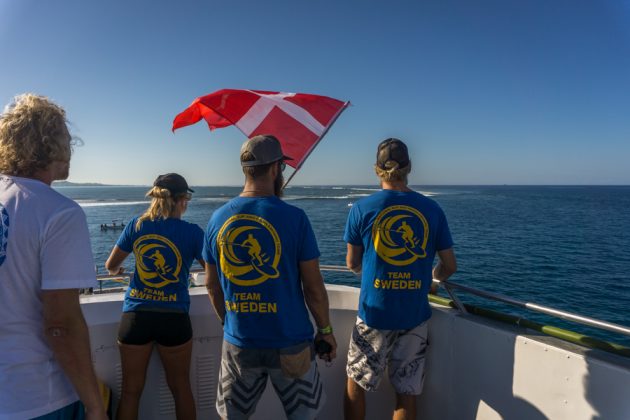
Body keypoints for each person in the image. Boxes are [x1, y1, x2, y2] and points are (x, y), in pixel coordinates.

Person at [203, 134, 337, 420]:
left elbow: (212, 286)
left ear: (245, 169)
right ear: (276, 169)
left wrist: (229, 322)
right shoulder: (296, 217)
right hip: (292, 343)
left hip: (240, 342)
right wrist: (325, 331)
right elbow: (313, 288)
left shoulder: (217, 219)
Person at [0, 94, 107, 419]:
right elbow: (61, 324)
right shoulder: (58, 213)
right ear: (51, 144)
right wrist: (94, 405)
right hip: (39, 395)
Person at [343, 138, 457, 420]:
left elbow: (352, 263)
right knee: (406, 391)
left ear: (376, 170)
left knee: (356, 384)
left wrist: (370, 272)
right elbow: (450, 266)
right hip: (414, 316)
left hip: (374, 313)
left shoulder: (361, 209)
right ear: (410, 168)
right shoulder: (432, 210)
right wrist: (432, 277)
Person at [105, 173, 204, 420]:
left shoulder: (136, 225)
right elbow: (213, 270)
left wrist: (118, 271)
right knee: (181, 389)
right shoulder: (193, 233)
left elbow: (111, 265)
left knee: (130, 393)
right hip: (174, 317)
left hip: (136, 316)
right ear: (183, 200)